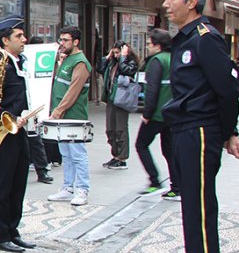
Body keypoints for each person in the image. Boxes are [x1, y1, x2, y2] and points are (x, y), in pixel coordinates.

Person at [158, 0, 239, 253]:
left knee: (201, 216)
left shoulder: (205, 38)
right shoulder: (186, 38)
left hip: (201, 131)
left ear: (192, 2)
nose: (166, 4)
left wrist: (229, 132)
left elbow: (228, 89)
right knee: (191, 214)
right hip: (185, 130)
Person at [0, 15, 38, 253]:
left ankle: (12, 230)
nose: (24, 39)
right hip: (4, 132)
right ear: (5, 40)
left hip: (20, 130)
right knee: (3, 184)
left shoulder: (20, 62)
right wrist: (10, 118)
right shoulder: (2, 66)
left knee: (19, 182)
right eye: (18, 36)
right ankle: (0, 234)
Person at [47, 26, 92, 206]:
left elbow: (73, 91)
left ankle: (82, 189)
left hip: (74, 116)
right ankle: (67, 187)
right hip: (63, 116)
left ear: (76, 42)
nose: (62, 43)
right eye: (61, 40)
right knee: (66, 153)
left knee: (78, 154)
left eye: (66, 40)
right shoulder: (67, 59)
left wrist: (58, 111)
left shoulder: (80, 62)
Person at [134, 29, 179, 198]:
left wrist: (147, 113)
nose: (147, 47)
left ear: (157, 45)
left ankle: (154, 181)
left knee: (141, 144)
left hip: (157, 114)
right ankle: (176, 186)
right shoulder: (173, 58)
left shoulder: (156, 61)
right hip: (172, 113)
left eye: (149, 44)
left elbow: (152, 90)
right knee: (169, 149)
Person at [100, 41, 138, 169]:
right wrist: (106, 58)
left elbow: (126, 71)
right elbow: (100, 69)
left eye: (118, 52)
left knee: (120, 129)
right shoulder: (112, 63)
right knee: (110, 129)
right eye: (114, 52)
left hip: (122, 99)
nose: (115, 55)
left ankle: (122, 158)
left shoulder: (130, 62)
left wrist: (123, 57)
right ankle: (115, 155)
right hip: (111, 98)